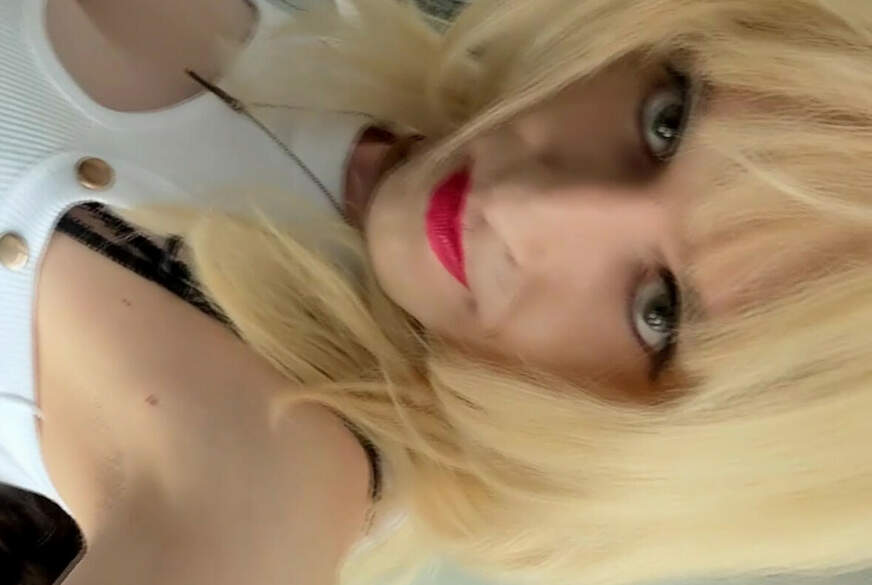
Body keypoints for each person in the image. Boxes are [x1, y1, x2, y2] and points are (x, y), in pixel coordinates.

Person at [2, 1, 872, 585]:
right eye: (666, 122)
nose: (528, 207)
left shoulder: (282, 457)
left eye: (657, 312)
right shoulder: (352, 48)